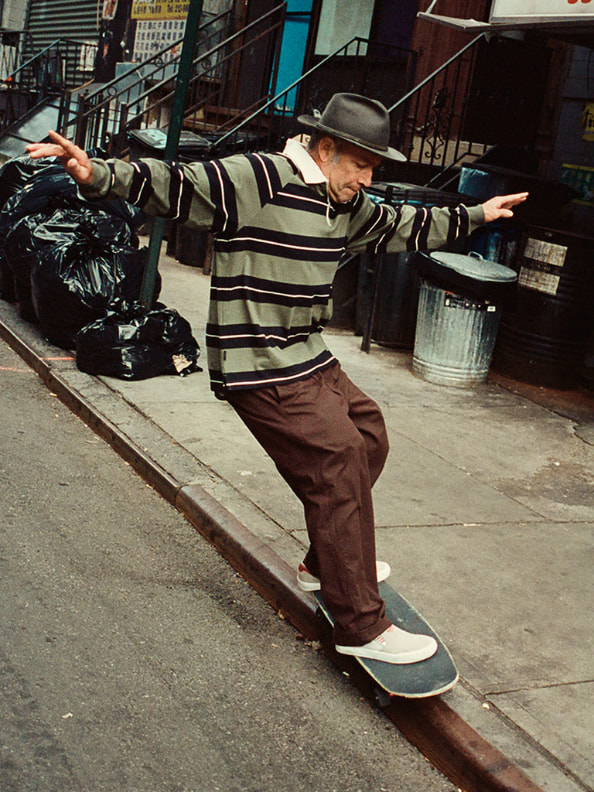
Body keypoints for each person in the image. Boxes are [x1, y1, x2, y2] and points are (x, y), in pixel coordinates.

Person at [27, 93, 527, 665]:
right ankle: (361, 626)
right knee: (336, 460)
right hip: (256, 362)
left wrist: (479, 214)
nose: (366, 179)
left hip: (306, 356)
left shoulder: (347, 204)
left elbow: (403, 224)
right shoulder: (262, 176)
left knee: (368, 437)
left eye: (373, 169)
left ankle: (324, 563)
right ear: (326, 147)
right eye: (360, 165)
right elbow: (180, 183)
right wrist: (97, 174)